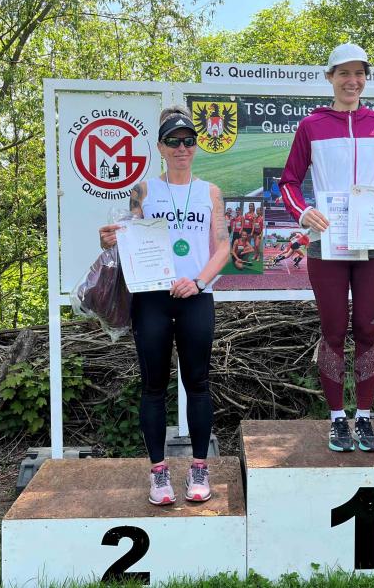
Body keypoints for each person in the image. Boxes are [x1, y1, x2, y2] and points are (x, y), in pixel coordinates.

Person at [98, 105, 230, 505]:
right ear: (160, 147)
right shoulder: (142, 191)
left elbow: (222, 247)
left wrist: (199, 281)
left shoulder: (210, 192)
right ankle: (158, 473)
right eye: (173, 141)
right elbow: (130, 239)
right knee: (153, 386)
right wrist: (110, 240)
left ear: (196, 146)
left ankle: (199, 468)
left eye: (188, 140)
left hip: (196, 296)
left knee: (198, 383)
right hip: (152, 298)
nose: (182, 148)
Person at [280, 43, 374, 453]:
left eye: (359, 74)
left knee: (369, 329)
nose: (352, 81)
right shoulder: (311, 125)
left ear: (366, 78)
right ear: (330, 77)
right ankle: (337, 418)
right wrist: (304, 213)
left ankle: (365, 417)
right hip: (328, 244)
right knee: (333, 331)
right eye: (344, 73)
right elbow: (289, 181)